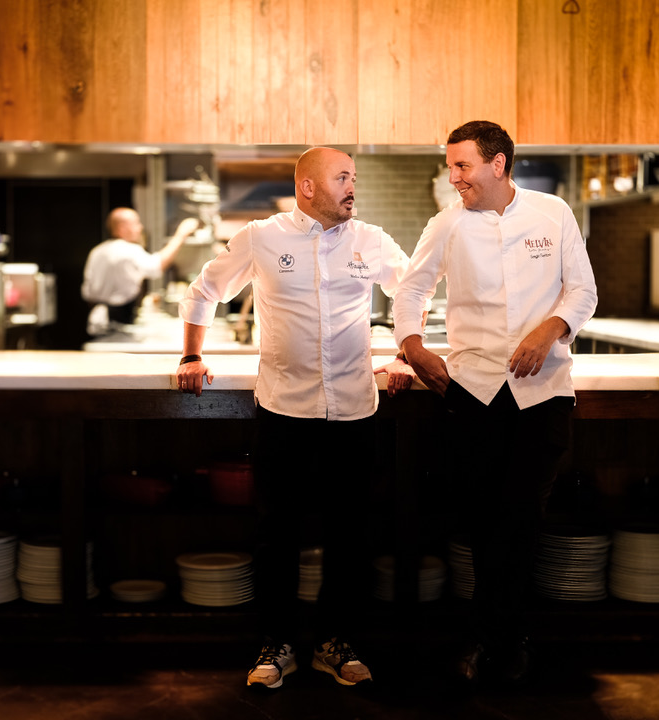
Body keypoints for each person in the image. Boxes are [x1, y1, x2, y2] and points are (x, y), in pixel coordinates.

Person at [176, 147, 417, 690]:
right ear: (307, 187)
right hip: (283, 409)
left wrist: (407, 352)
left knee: (349, 534)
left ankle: (336, 643)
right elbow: (205, 289)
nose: (352, 187)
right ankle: (277, 644)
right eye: (342, 177)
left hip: (354, 409)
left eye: (354, 177)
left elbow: (412, 290)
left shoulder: (371, 239)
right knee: (276, 532)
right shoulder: (262, 237)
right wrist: (192, 355)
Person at [391, 121, 598, 687]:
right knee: (482, 521)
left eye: (462, 166)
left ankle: (496, 638)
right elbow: (411, 290)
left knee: (522, 519)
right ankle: (502, 639)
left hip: (543, 393)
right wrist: (413, 345)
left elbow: (583, 290)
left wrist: (550, 329)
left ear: (498, 164)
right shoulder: (446, 224)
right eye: (450, 166)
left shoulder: (552, 213)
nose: (453, 178)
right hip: (473, 392)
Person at [81, 208, 200, 335]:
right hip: (117, 318)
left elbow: (87, 291)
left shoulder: (97, 251)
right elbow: (157, 267)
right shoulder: (128, 249)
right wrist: (180, 235)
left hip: (95, 317)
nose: (140, 228)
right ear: (121, 228)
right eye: (136, 223)